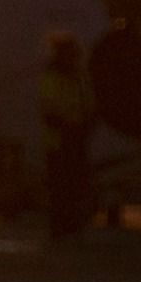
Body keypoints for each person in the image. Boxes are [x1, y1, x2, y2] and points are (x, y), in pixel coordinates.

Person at [34, 27, 101, 243]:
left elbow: (90, 106)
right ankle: (61, 228)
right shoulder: (52, 78)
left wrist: (86, 128)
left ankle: (72, 227)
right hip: (60, 143)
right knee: (61, 189)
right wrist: (73, 129)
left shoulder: (80, 77)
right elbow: (49, 112)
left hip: (77, 141)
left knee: (76, 187)